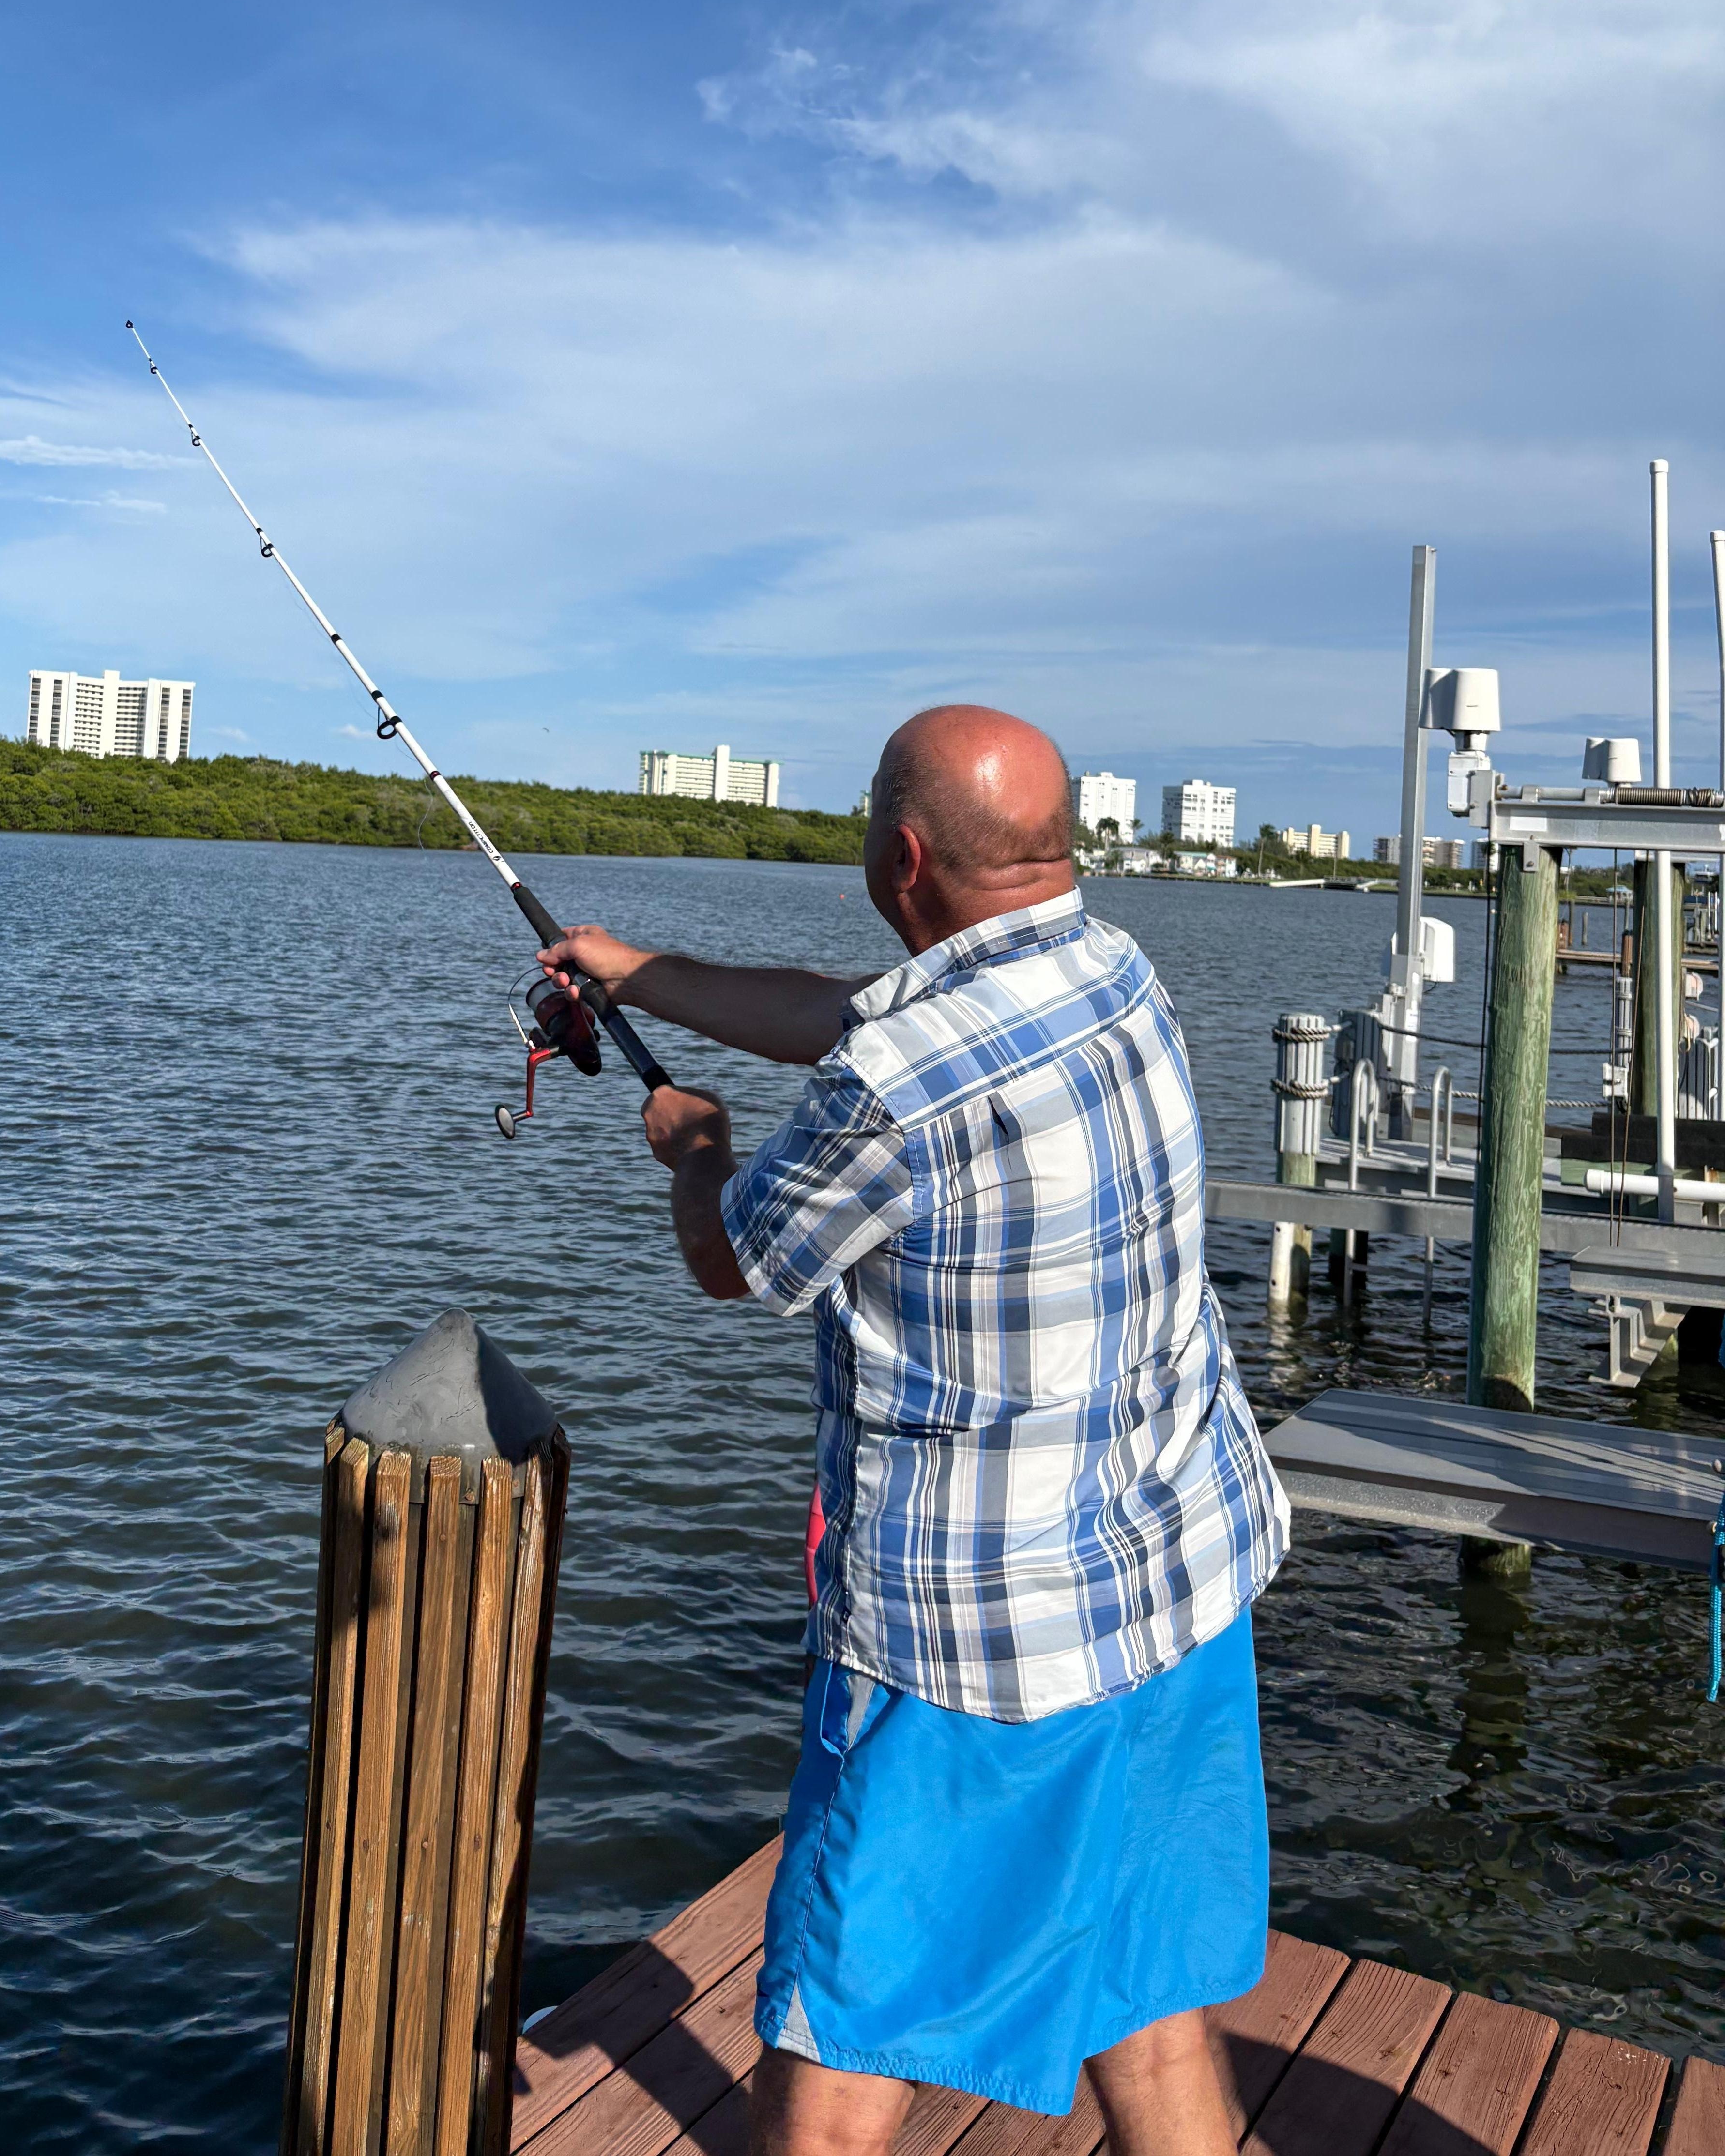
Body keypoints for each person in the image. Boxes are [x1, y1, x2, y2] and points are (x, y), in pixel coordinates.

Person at [538, 706, 1288, 2156]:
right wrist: (645, 977)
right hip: (1176, 1590)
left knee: (838, 2046)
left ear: (897, 855)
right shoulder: (1110, 966)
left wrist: (697, 1155)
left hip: (976, 1652)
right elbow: (870, 1014)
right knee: (1148, 2008)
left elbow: (742, 1263)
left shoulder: (894, 1086)